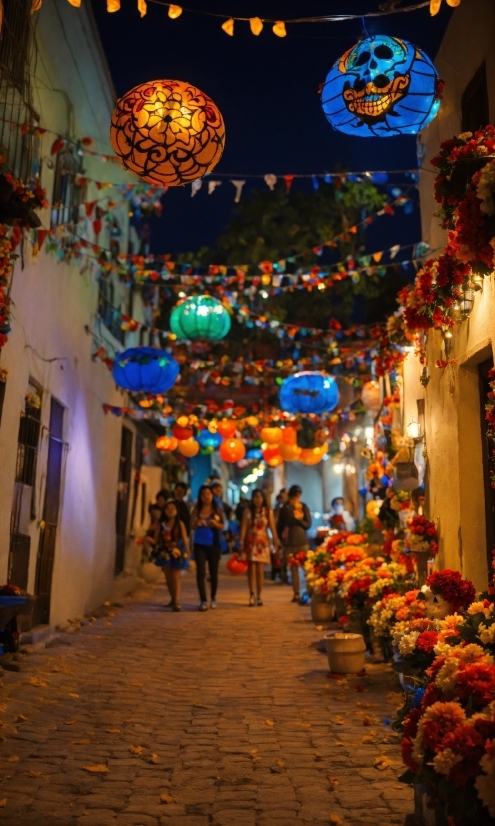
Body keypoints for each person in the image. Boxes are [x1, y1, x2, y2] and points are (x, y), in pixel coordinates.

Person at [240, 488, 280, 606]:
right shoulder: (248, 512)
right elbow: (244, 528)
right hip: (251, 543)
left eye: (260, 497)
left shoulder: (268, 512)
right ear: (252, 499)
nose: (258, 499)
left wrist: (276, 542)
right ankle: (252, 593)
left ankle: (260, 595)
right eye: (256, 497)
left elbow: (272, 528)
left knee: (260, 570)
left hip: (262, 544)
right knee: (251, 569)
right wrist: (241, 543)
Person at [191, 485, 225, 611]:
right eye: (204, 494)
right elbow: (189, 526)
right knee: (200, 572)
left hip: (213, 545)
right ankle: (203, 600)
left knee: (213, 572)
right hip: (199, 544)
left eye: (209, 493)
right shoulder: (197, 509)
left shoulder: (217, 509)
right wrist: (196, 524)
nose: (206, 496)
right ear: (200, 496)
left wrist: (215, 524)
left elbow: (223, 526)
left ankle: (213, 597)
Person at [152, 499, 189, 612]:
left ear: (177, 511)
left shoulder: (180, 524)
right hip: (164, 553)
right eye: (167, 508)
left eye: (172, 508)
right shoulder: (161, 524)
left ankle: (176, 601)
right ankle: (173, 599)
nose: (170, 510)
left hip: (177, 552)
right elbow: (156, 539)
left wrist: (188, 552)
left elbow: (184, 538)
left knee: (176, 576)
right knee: (168, 576)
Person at [277, 484, 312, 602]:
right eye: (294, 497)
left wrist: (299, 519)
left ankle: (308, 592)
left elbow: (308, 524)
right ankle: (297, 593)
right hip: (291, 542)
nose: (296, 499)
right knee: (294, 569)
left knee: (305, 568)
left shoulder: (303, 507)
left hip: (301, 541)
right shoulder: (285, 509)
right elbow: (280, 525)